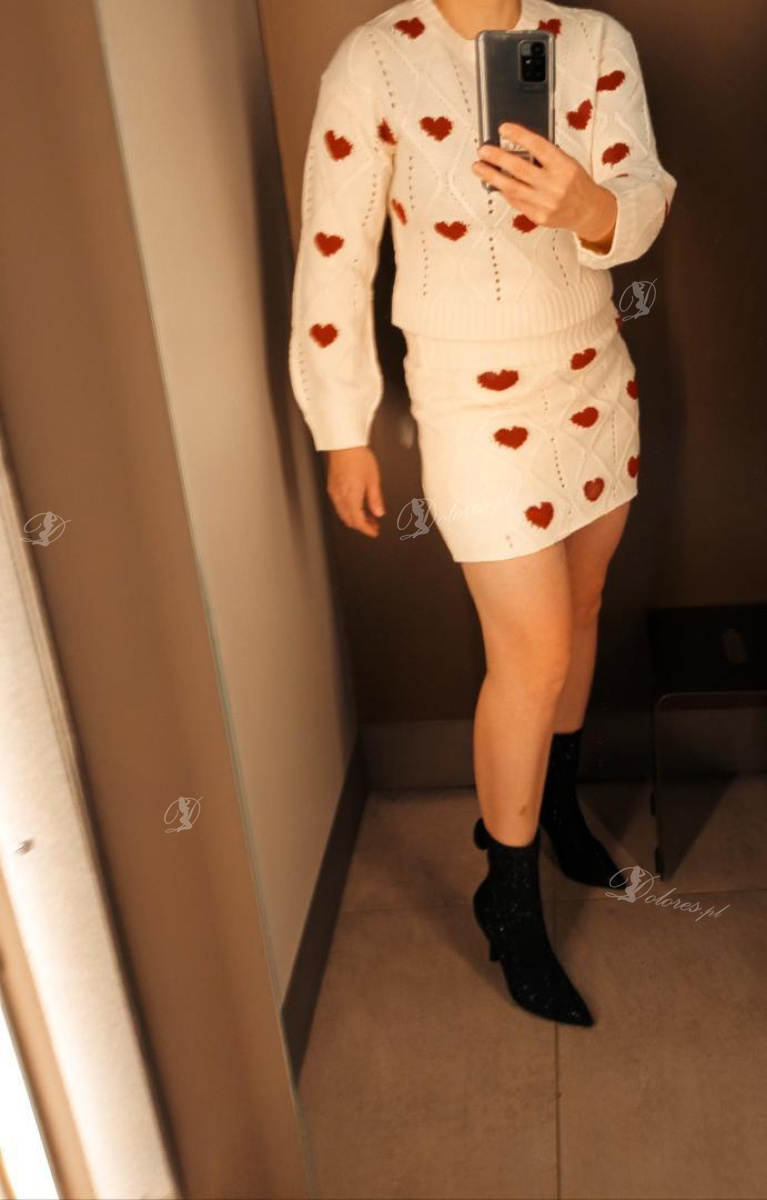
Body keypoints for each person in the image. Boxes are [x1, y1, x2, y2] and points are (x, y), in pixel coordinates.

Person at [288, 0, 677, 1026]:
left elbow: (639, 200)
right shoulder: (372, 61)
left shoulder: (594, 43)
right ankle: (506, 900)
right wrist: (341, 426)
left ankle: (558, 814)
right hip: (467, 399)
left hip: (591, 377)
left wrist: (589, 207)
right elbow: (334, 249)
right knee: (532, 656)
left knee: (581, 612)